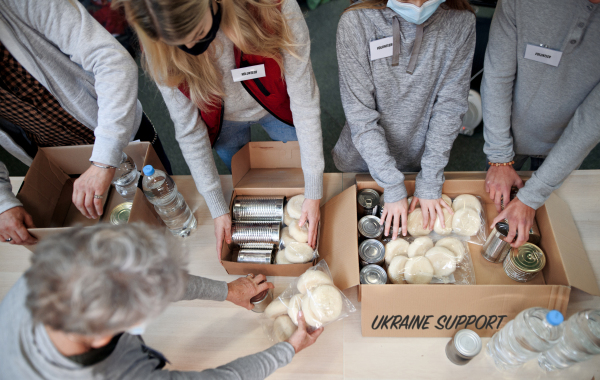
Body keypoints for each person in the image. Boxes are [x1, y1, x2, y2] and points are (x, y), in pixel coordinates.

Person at [115, 0, 325, 256]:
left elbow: (305, 101)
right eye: (179, 43)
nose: (191, 47)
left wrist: (313, 192)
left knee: (299, 176)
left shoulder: (274, 7)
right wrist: (217, 208)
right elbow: (189, 131)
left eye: (198, 34)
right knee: (243, 177)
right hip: (221, 122)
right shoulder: (159, 46)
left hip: (279, 105)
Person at [0, 223, 323, 378]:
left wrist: (227, 291)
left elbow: (147, 277)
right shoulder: (119, 376)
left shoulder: (51, 273)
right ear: (105, 333)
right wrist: (289, 348)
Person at [0, 0, 172, 245]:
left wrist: (103, 160)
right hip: (57, 163)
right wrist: (3, 203)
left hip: (120, 134)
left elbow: (113, 61)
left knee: (163, 205)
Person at [332, 0, 476, 239]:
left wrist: (430, 179)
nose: (418, 4)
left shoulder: (461, 22)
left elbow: (450, 108)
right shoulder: (356, 22)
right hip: (362, 161)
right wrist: (391, 184)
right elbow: (361, 117)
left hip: (420, 163)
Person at [482, 0, 600, 247]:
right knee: (494, 207)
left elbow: (591, 121)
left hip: (565, 150)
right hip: (506, 138)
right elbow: (497, 77)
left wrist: (532, 197)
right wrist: (499, 157)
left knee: (546, 220)